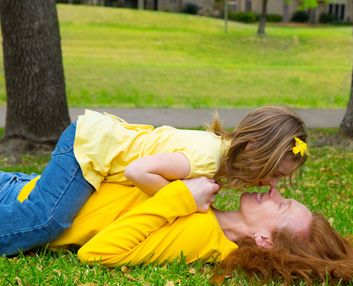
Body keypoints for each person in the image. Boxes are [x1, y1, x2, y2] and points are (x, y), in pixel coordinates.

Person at [8, 173, 353, 286]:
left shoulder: (202, 240)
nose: (274, 191)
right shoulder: (215, 213)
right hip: (35, 182)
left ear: (263, 240)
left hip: (18, 207)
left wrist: (180, 198)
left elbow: (98, 253)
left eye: (281, 205)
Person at [0, 106, 308, 256]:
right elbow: (138, 172)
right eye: (275, 174)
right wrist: (182, 198)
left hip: (90, 154)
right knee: (47, 219)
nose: (272, 186)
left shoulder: (216, 162)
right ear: (255, 152)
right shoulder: (205, 158)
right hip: (90, 147)